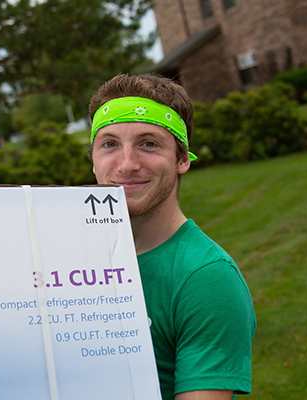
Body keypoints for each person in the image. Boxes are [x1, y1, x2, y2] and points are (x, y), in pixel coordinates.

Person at [88, 74, 256, 400]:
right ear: (93, 160)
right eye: (109, 144)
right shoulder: (62, 261)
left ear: (182, 160)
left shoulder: (206, 278)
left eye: (148, 144)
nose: (126, 164)